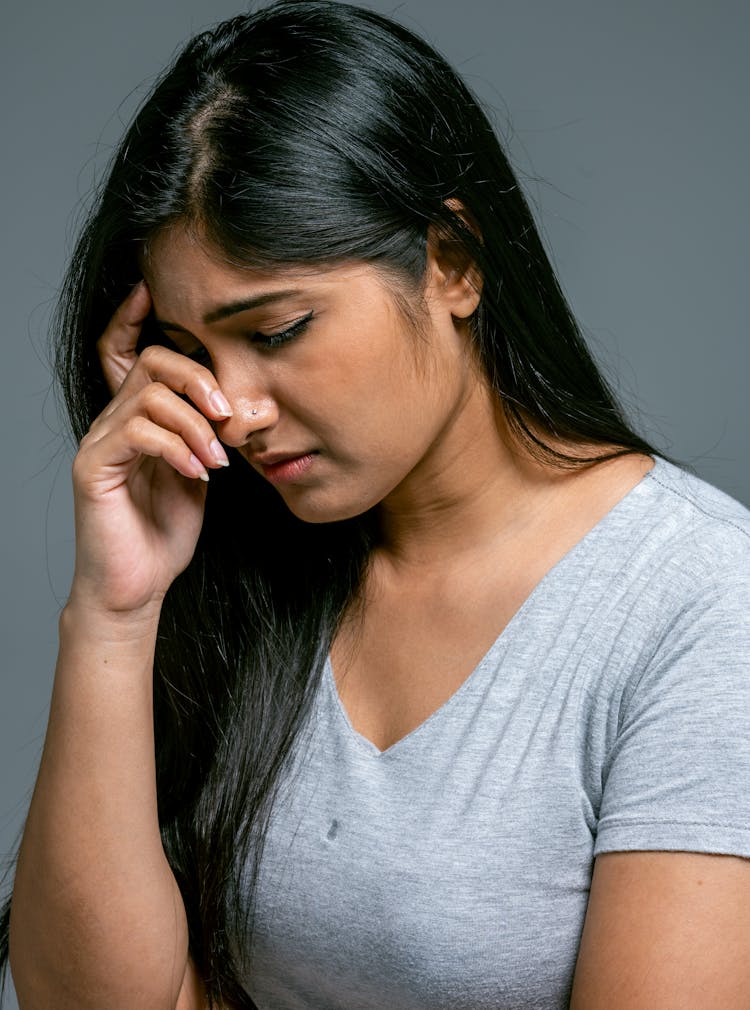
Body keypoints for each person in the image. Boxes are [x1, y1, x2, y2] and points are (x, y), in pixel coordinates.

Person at [2, 1, 749, 1007]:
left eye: (275, 331)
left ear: (451, 258)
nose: (233, 412)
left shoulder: (701, 601)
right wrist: (113, 614)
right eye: (191, 354)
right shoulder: (248, 564)